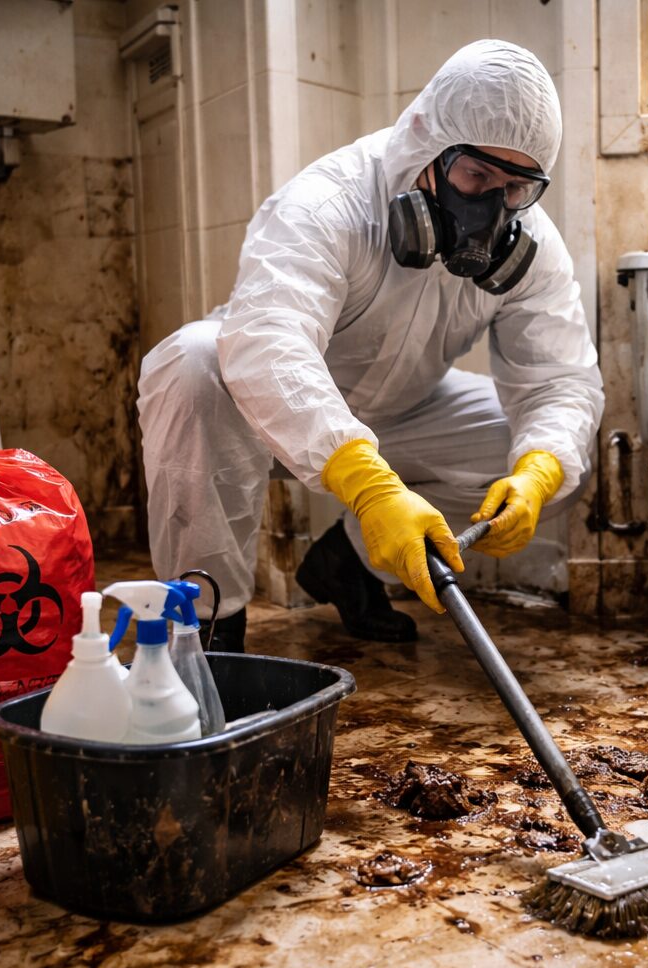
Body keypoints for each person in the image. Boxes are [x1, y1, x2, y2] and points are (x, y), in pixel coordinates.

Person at [137, 39, 603, 652]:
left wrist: (538, 472)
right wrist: (368, 484)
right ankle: (207, 627)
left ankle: (347, 564)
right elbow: (270, 341)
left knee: (545, 452)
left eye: (516, 187)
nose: (493, 208)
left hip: (403, 412)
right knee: (195, 360)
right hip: (261, 412)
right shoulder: (332, 203)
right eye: (476, 175)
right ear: (428, 144)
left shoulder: (530, 244)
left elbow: (561, 381)